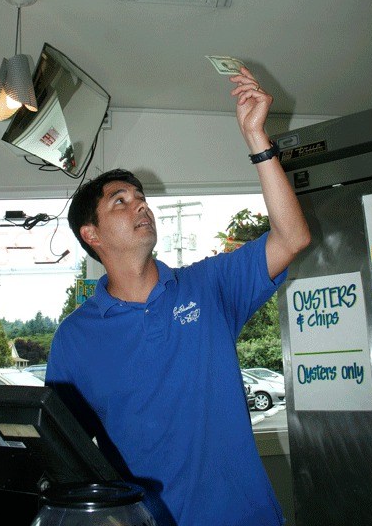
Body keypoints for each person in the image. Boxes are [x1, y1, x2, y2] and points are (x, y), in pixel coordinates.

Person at [45, 66, 311, 526]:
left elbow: (292, 237)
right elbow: (61, 446)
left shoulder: (208, 286)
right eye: (120, 201)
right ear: (92, 235)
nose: (140, 204)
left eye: (141, 197)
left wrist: (256, 138)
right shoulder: (73, 338)